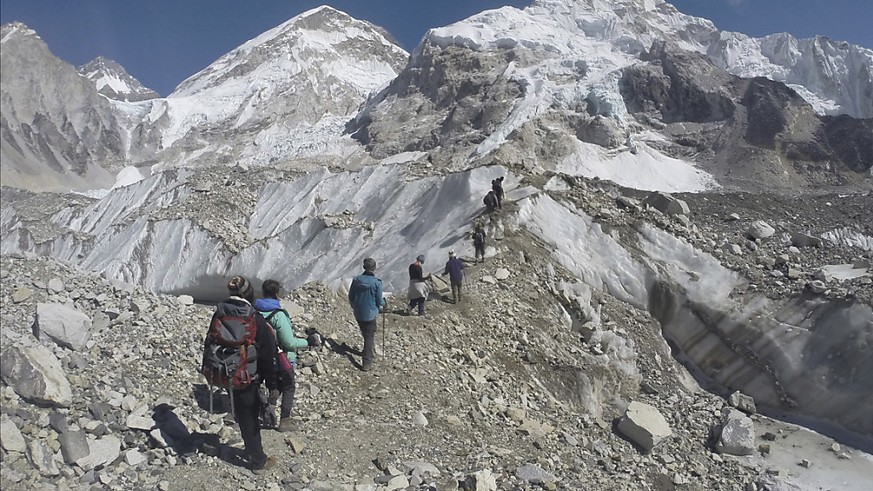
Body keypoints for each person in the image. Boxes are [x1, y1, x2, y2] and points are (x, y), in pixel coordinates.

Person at [211, 276, 278, 474]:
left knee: (242, 414)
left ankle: (253, 451)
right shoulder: (254, 318)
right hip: (248, 376)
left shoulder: (220, 313)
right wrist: (272, 382)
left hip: (225, 371)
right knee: (250, 417)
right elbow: (267, 353)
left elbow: (211, 342)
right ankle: (258, 460)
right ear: (248, 293)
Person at [255, 279, 313, 433]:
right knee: (288, 386)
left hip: (261, 359)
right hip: (280, 359)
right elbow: (289, 343)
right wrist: (307, 341)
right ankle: (285, 421)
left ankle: (267, 411)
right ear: (277, 293)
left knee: (273, 384)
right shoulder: (278, 315)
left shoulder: (254, 313)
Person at [348, 258, 386, 371]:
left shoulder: (356, 280)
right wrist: (384, 303)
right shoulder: (376, 282)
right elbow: (379, 301)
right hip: (370, 313)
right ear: (374, 268)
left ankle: (370, 352)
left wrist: (355, 306)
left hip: (358, 312)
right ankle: (367, 361)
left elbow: (351, 296)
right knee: (369, 336)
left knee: (366, 333)